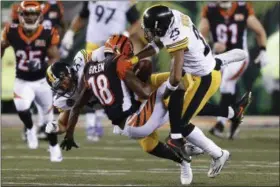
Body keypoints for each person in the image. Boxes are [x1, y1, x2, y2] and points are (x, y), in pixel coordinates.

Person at [120, 4, 253, 177]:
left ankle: (214, 153)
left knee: (179, 120)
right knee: (177, 106)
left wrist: (168, 90)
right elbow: (157, 44)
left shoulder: (176, 36)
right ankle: (232, 111)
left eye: (152, 29)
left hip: (204, 78)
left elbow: (175, 78)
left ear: (160, 26)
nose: (149, 33)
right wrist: (135, 59)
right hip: (198, 68)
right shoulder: (172, 17)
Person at [46, 35, 198, 185]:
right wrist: (55, 128)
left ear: (68, 72)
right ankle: (183, 160)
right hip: (122, 106)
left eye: (63, 82)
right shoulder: (65, 99)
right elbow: (64, 122)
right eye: (59, 87)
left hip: (129, 85)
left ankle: (198, 76)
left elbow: (111, 53)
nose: (63, 87)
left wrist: (126, 64)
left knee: (160, 77)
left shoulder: (83, 63)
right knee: (149, 146)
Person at [59, 1, 143, 141]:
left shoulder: (124, 3)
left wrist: (126, 33)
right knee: (88, 83)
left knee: (115, 84)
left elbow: (137, 22)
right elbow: (82, 16)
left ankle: (122, 120)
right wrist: (70, 32)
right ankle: (92, 122)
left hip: (114, 48)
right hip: (93, 45)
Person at [1, 1, 61, 162]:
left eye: (33, 14)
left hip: (42, 81)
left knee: (49, 120)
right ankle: (30, 128)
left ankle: (54, 148)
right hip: (22, 80)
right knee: (21, 107)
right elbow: (2, 46)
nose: (30, 17)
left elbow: (55, 57)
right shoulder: (11, 31)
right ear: (20, 15)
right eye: (27, 14)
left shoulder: (47, 32)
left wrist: (42, 64)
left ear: (39, 15)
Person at [199, 1, 268, 139]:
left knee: (226, 82)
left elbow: (259, 31)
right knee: (226, 86)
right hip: (219, 57)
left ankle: (220, 123)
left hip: (238, 56)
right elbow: (200, 36)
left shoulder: (242, 8)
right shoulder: (210, 9)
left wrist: (263, 50)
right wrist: (212, 44)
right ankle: (236, 116)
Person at [10, 0, 65, 140]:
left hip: (48, 52)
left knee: (47, 92)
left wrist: (61, 42)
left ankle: (42, 126)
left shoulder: (55, 6)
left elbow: (61, 25)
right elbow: (14, 28)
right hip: (29, 52)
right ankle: (29, 127)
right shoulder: (22, 6)